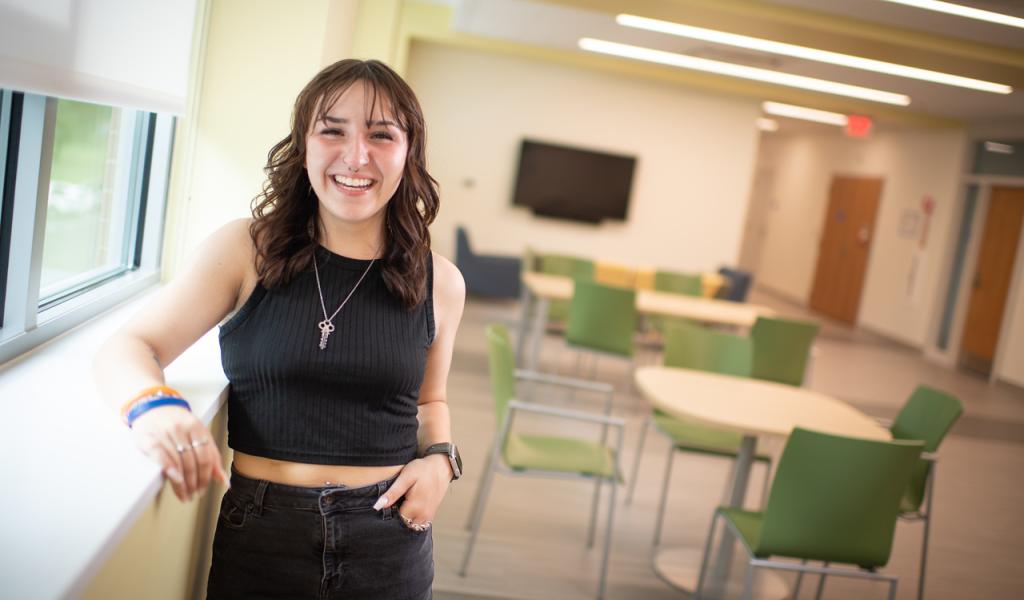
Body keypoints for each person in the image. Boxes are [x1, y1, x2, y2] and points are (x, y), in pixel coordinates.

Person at [94, 59, 465, 600]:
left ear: (409, 153)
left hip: (390, 537)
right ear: (304, 146)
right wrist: (154, 408)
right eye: (332, 131)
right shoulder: (246, 250)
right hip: (261, 533)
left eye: (381, 135)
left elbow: (431, 401)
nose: (356, 156)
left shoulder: (441, 282)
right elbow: (129, 346)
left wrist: (441, 461)